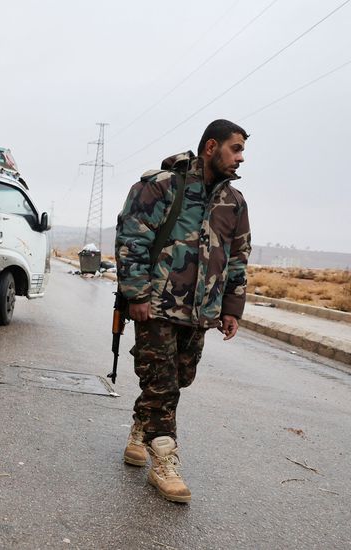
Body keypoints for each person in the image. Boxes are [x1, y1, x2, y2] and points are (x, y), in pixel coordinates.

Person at [114, 119, 251, 503]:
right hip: (155, 305)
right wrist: (137, 294)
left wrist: (231, 308)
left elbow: (238, 259)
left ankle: (142, 425)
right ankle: (165, 460)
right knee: (161, 382)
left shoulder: (234, 203)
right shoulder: (162, 186)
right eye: (235, 149)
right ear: (211, 147)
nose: (241, 158)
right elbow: (131, 239)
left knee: (181, 377)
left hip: (201, 312)